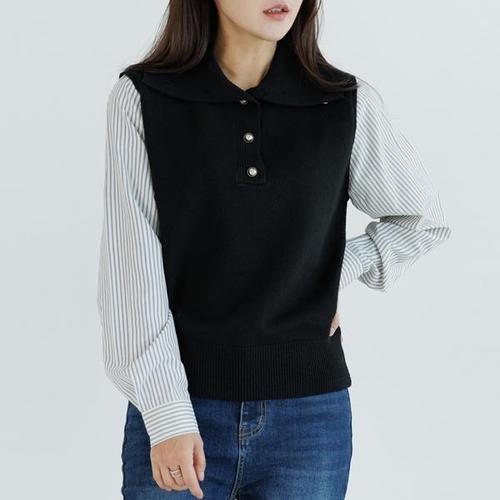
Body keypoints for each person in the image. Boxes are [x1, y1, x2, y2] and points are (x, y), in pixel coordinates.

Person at [96, 1, 452, 498]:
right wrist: (167, 414)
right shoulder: (144, 98)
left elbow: (421, 219)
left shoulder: (344, 102)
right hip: (182, 408)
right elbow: (131, 270)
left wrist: (330, 272)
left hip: (310, 421)